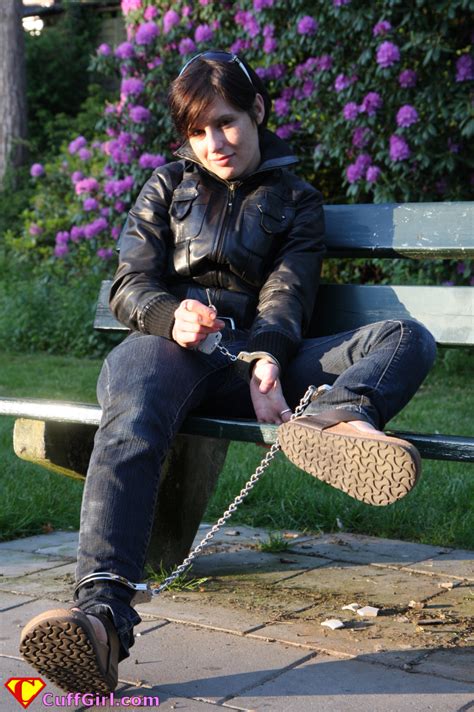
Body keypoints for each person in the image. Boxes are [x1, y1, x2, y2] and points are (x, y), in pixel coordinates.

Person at [20, 50, 436, 693]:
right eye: (197, 129)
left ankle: (338, 417)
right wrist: (168, 316)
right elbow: (130, 285)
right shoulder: (165, 187)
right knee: (133, 406)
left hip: (262, 361)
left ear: (258, 113)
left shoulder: (296, 199)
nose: (214, 142)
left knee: (405, 335)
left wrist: (266, 356)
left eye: (227, 122)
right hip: (171, 351)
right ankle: (100, 616)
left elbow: (287, 294)